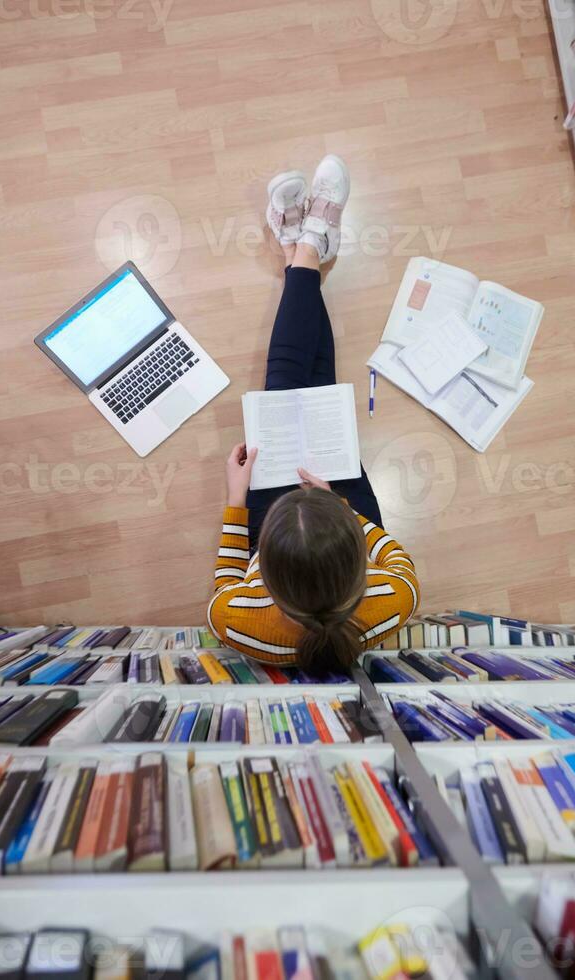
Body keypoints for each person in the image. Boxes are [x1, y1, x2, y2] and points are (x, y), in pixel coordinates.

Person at [208, 155, 419, 673]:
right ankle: (305, 249)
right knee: (310, 390)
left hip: (321, 524)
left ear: (269, 573)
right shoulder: (396, 596)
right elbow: (397, 562)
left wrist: (238, 502)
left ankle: (302, 252)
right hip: (346, 515)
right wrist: (346, 512)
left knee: (290, 388)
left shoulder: (233, 619)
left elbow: (229, 579)